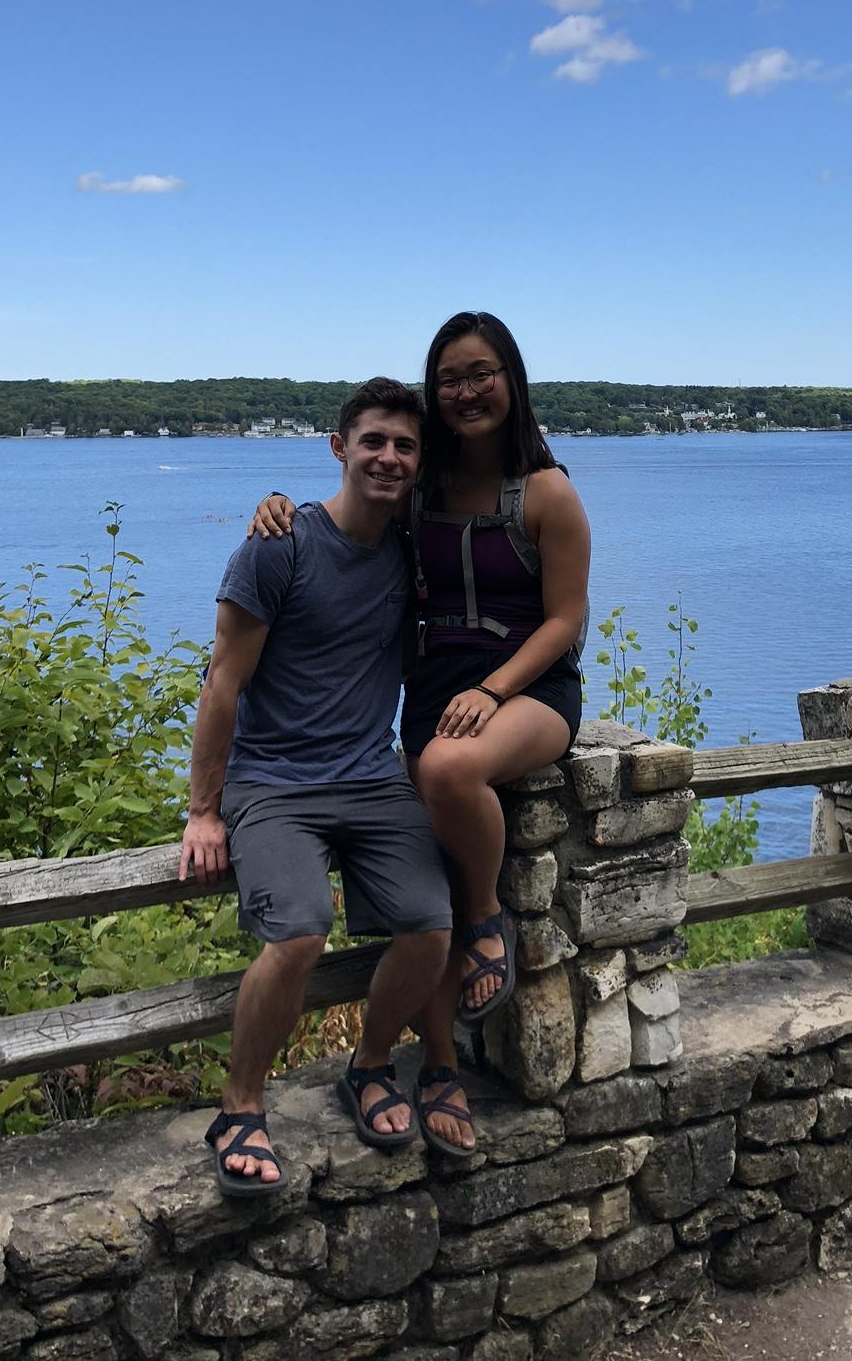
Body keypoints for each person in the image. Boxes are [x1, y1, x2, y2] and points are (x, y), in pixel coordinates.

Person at [249, 312, 591, 1158]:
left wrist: (493, 684)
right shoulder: (424, 487)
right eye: (450, 378)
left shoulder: (546, 492)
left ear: (511, 380)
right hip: (436, 693)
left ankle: (487, 920)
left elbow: (567, 619)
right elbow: (356, 506)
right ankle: (432, 1065)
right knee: (422, 889)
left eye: (481, 374)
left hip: (530, 689)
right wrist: (279, 506)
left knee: (445, 775)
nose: (466, 391)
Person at [183, 377, 453, 1195]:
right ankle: (240, 1108)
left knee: (431, 926)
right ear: (339, 448)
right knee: (301, 933)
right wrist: (202, 810)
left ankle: (369, 1068)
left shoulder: (410, 547)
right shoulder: (278, 546)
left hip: (369, 775)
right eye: (373, 440)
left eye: (405, 446)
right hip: (272, 781)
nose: (389, 457)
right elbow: (223, 682)